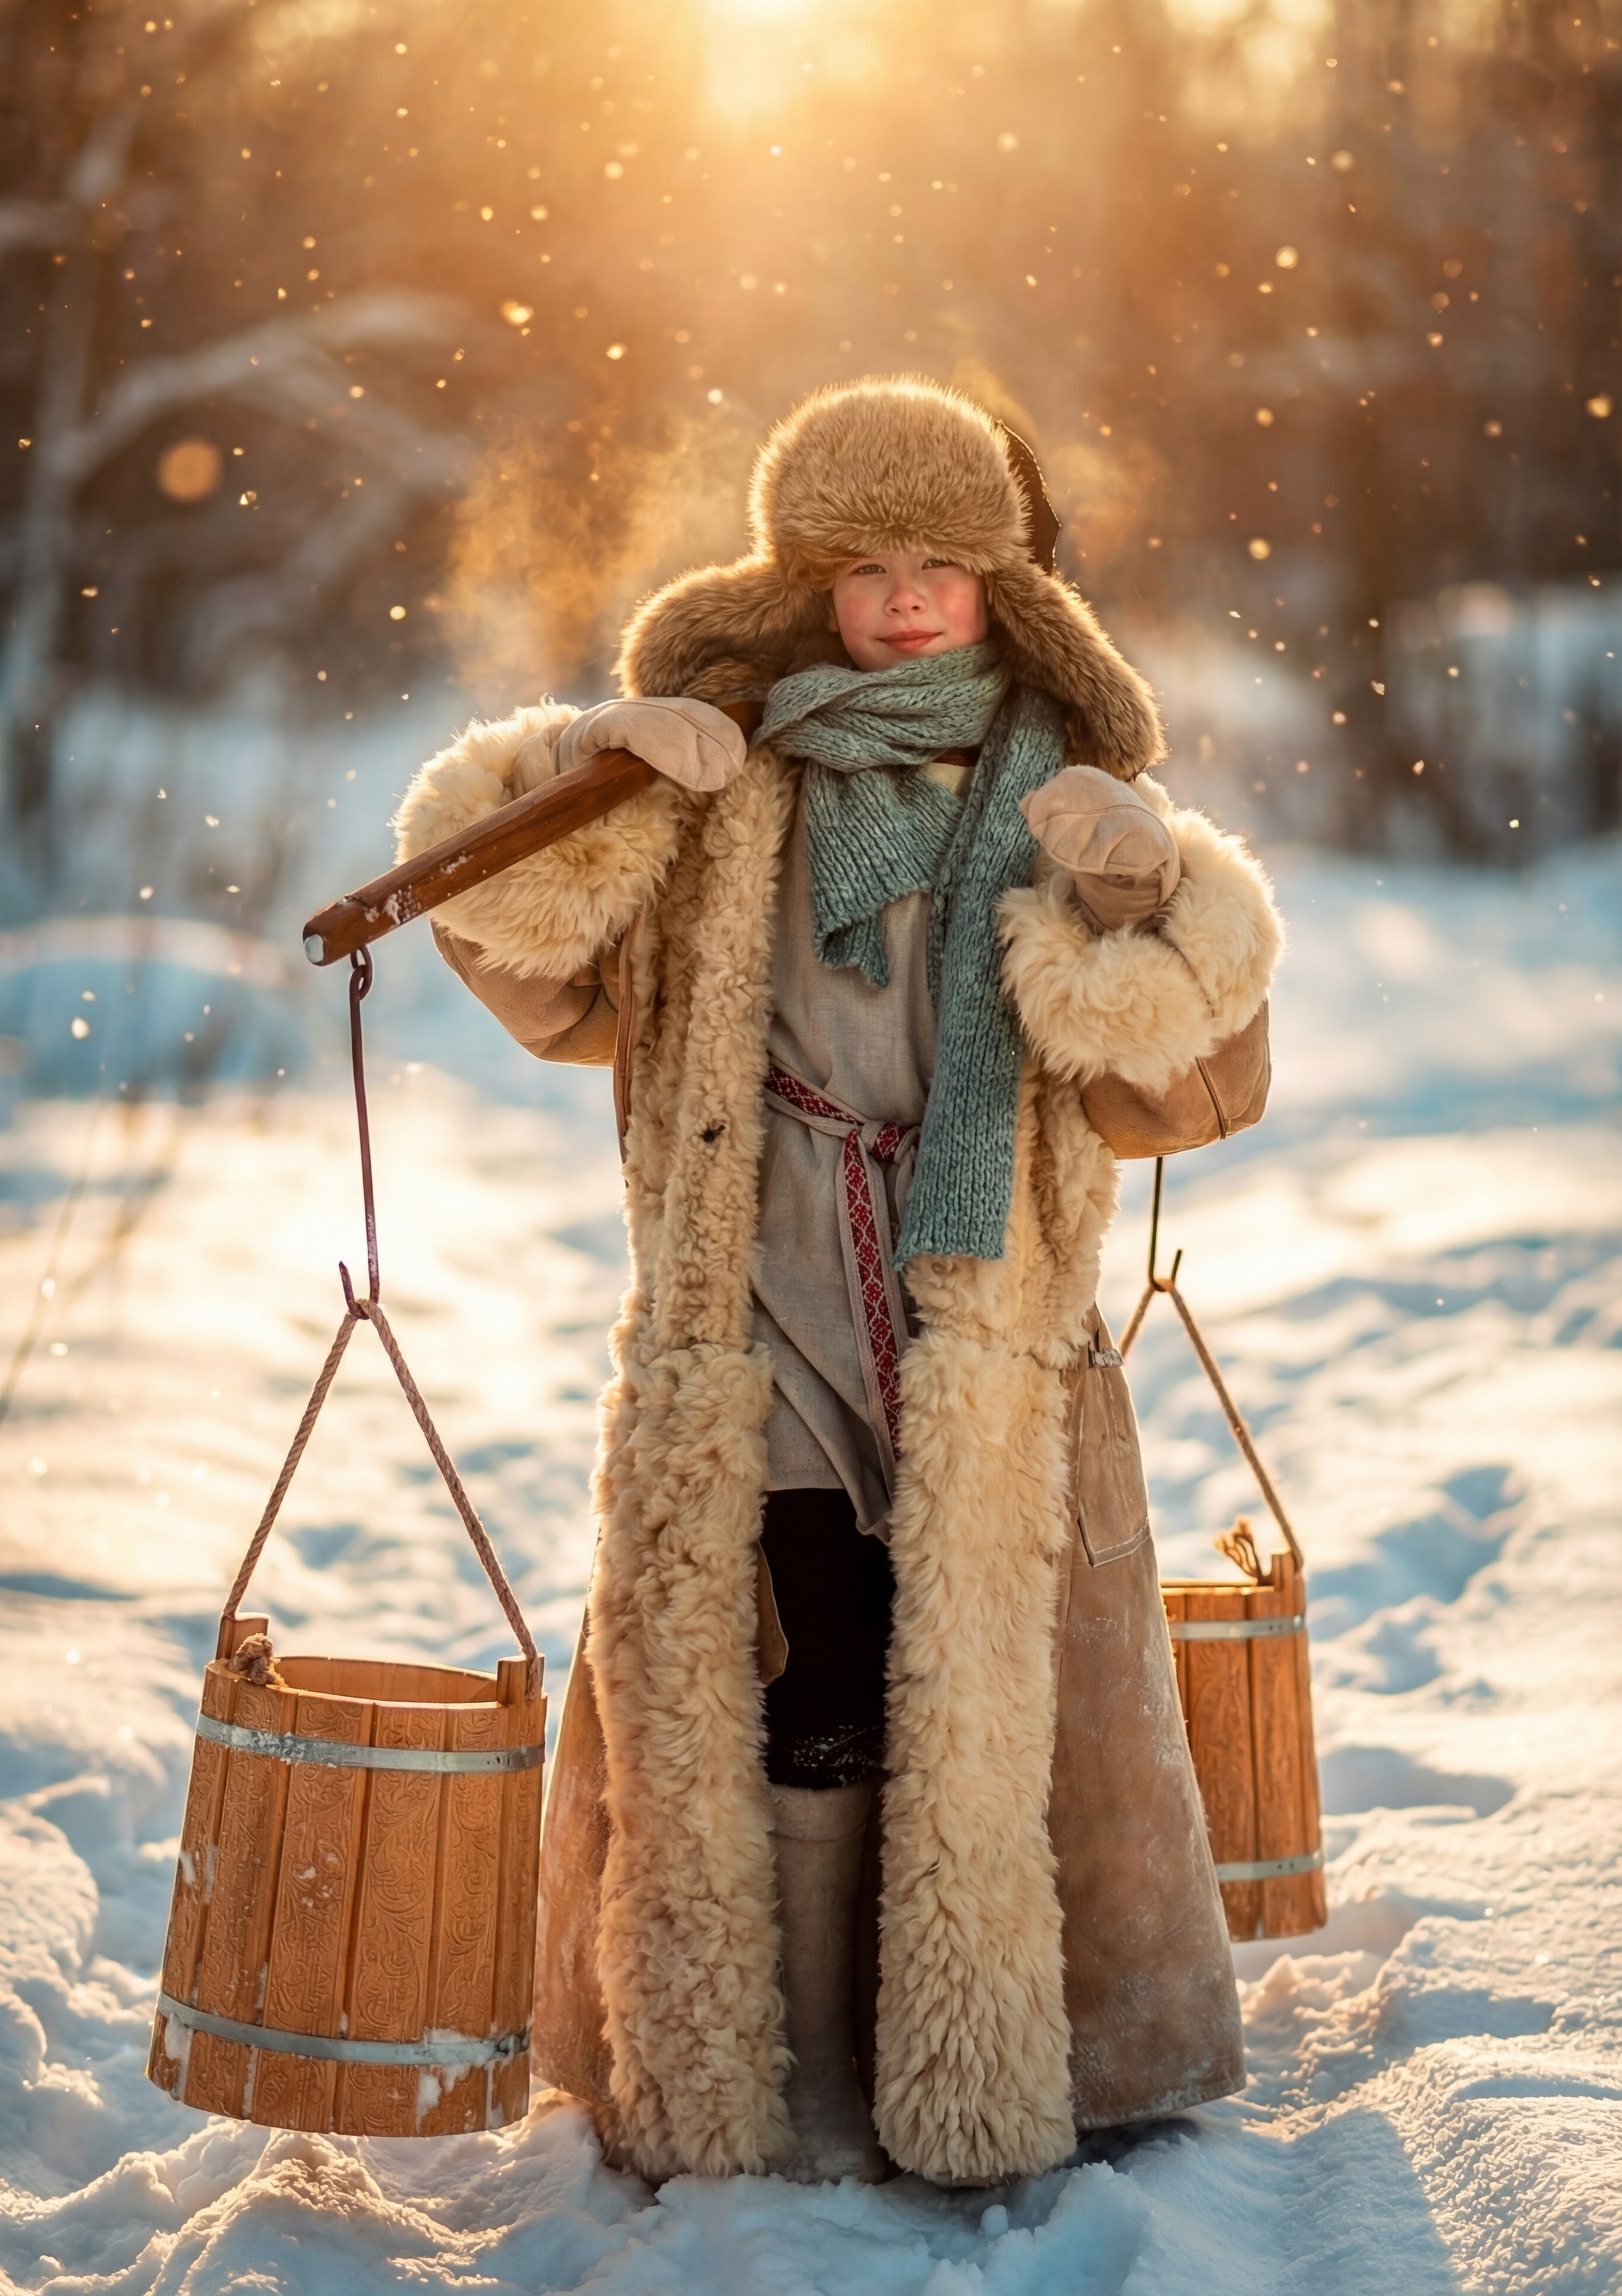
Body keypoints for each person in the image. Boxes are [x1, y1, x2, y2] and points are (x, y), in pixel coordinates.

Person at [395, 376, 1282, 2189]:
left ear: (1002, 584)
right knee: (788, 1663)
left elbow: (1178, 1094)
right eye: (862, 565)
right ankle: (775, 2080)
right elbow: (537, 969)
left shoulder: (1065, 795)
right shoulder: (732, 768)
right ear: (799, 578)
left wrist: (1140, 913)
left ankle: (1059, 2043)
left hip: (987, 1292)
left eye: (941, 566)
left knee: (996, 1661)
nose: (902, 601)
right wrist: (597, 788)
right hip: (765, 1258)